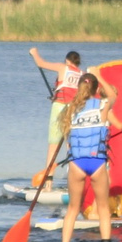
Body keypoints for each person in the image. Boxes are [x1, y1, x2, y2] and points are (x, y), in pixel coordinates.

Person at [56, 72, 122, 242]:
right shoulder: (102, 106)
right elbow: (113, 95)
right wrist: (100, 75)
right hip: (97, 163)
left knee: (72, 210)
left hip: (76, 164)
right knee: (102, 209)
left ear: (79, 88)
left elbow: (68, 140)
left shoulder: (69, 109)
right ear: (95, 89)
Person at [29, 47, 84, 188]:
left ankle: (48, 185)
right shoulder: (82, 75)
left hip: (59, 108)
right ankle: (74, 185)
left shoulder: (62, 67)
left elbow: (41, 63)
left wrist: (34, 53)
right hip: (74, 110)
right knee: (70, 146)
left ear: (67, 61)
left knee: (53, 145)